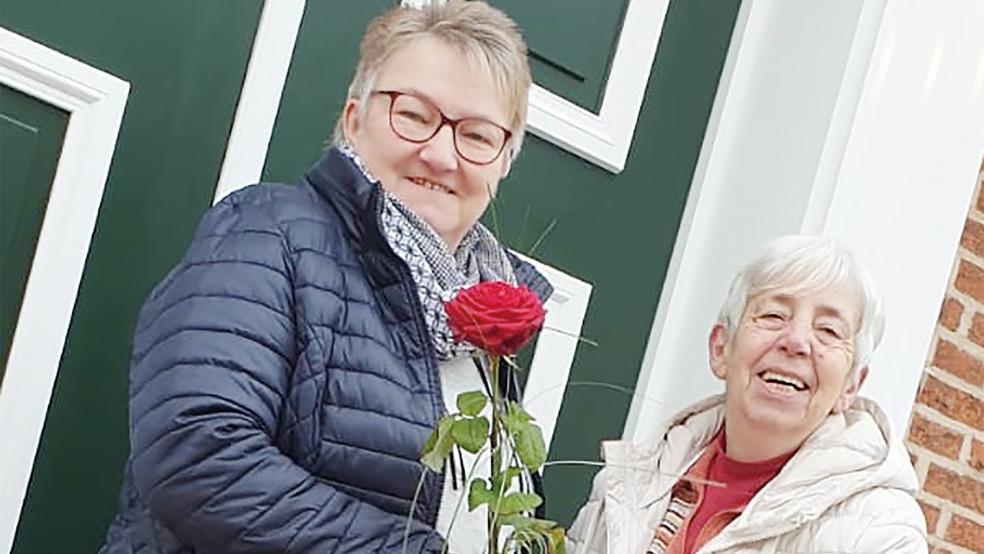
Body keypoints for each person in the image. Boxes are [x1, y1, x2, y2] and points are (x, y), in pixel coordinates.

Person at [100, 2, 550, 553]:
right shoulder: (269, 233)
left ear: (504, 161)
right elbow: (197, 450)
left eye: (477, 136)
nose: (439, 154)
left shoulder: (483, 327)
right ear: (353, 117)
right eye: (413, 114)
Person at [567, 235, 927, 553]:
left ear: (851, 385)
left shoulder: (880, 533)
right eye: (773, 315)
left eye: (829, 331)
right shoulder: (628, 482)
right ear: (720, 348)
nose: (797, 342)